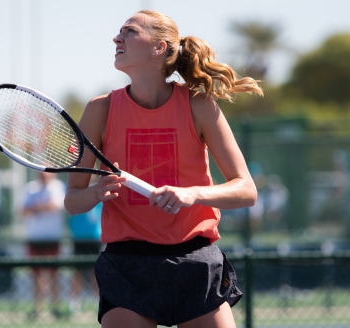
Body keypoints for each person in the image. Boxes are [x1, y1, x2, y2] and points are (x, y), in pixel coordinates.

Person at [64, 10, 262, 328]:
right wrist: (96, 192)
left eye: (129, 31)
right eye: (119, 32)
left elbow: (246, 189)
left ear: (158, 47)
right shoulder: (99, 109)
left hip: (196, 261)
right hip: (126, 266)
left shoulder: (199, 105)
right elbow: (73, 201)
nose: (117, 38)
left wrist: (191, 195)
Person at [22, 171, 66, 319]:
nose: (44, 175)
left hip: (53, 238)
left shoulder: (58, 187)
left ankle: (55, 306)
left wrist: (36, 206)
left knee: (54, 274)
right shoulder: (30, 188)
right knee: (36, 275)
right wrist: (43, 206)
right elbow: (23, 210)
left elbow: (56, 205)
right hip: (34, 238)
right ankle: (38, 307)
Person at [68, 188, 103, 313]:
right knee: (77, 271)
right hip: (79, 238)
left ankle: (98, 301)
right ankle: (74, 302)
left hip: (94, 238)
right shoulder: (74, 193)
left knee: (96, 272)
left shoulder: (100, 191)